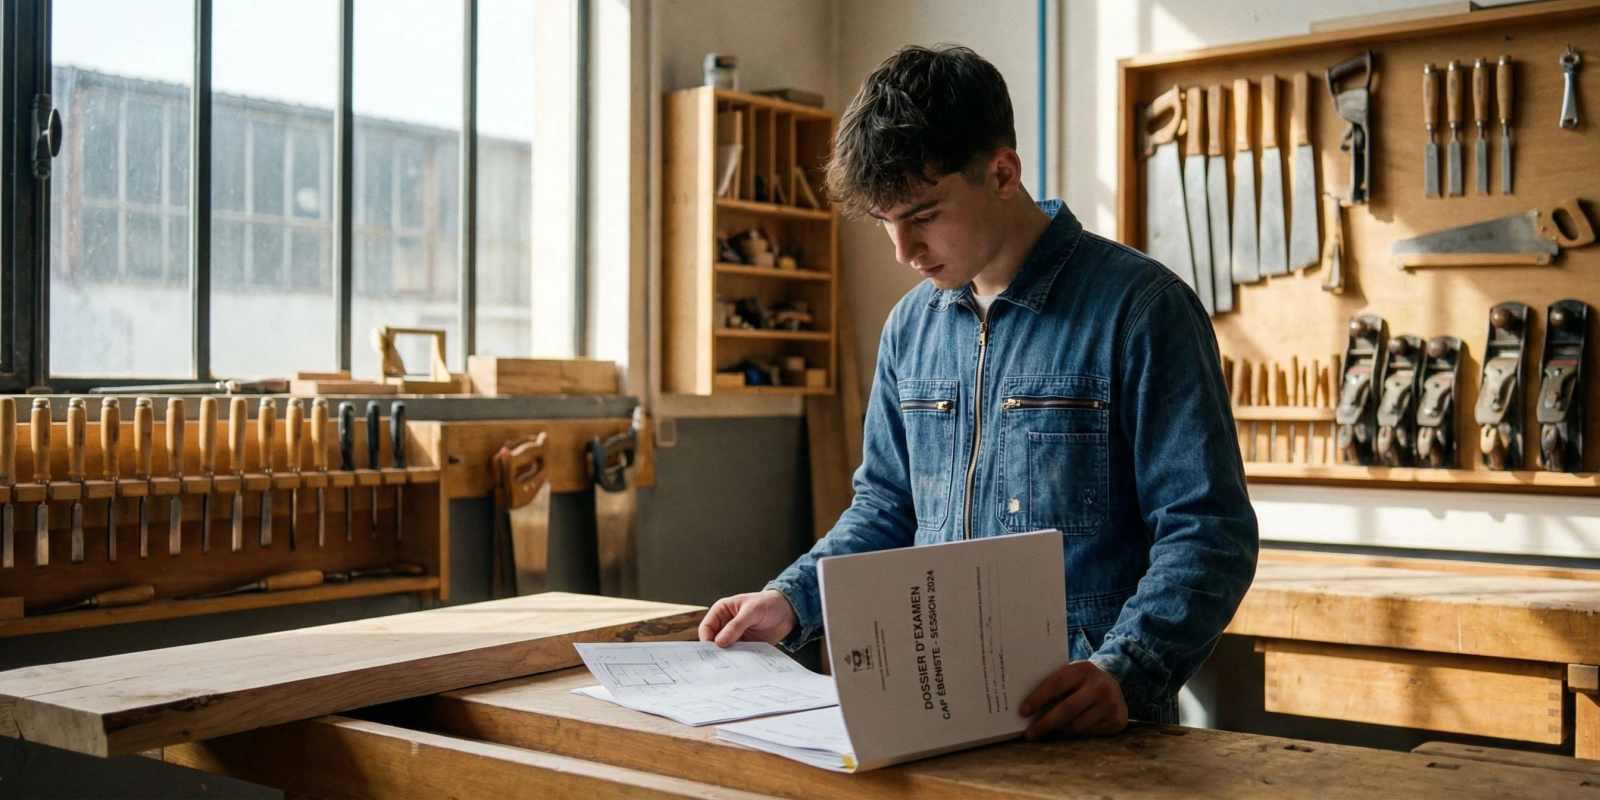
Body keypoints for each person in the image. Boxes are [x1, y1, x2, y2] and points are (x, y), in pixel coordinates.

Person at [697, 44, 1258, 740]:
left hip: (1089, 726)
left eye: (924, 215)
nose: (902, 250)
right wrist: (791, 599)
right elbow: (888, 508)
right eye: (884, 221)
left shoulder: (1142, 310)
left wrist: (1126, 669)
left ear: (1001, 173)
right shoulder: (910, 327)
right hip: (931, 715)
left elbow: (1208, 531)